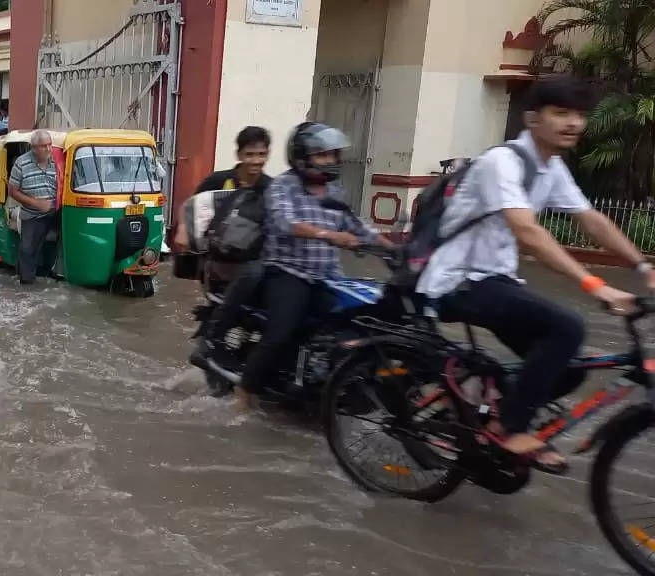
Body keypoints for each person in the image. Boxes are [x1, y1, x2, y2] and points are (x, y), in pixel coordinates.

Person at [417, 76, 650, 473]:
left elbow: (591, 220)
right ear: (532, 119)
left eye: (579, 114)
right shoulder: (501, 163)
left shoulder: (550, 167)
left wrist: (642, 266)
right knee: (567, 328)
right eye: (561, 113)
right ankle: (510, 428)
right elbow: (528, 232)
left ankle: (493, 422)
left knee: (569, 367)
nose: (573, 123)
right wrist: (596, 286)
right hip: (457, 280)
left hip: (495, 279)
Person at [236, 122, 395, 409]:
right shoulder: (283, 186)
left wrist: (394, 250)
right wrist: (330, 235)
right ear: (302, 156)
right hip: (288, 271)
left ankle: (327, 378)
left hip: (329, 276)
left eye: (333, 155)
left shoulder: (334, 190)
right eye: (323, 155)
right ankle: (243, 396)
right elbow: (286, 223)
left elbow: (356, 226)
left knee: (362, 320)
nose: (330, 161)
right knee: (281, 332)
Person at [182, 127, 274, 386]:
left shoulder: (271, 188)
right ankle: (214, 347)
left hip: (255, 266)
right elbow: (191, 207)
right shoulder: (219, 181)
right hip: (219, 268)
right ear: (239, 154)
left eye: (261, 154)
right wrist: (181, 231)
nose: (255, 160)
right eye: (250, 154)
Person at [7, 129, 59, 284]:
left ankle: (54, 275)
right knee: (27, 250)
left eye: (50, 145)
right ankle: (27, 284)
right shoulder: (21, 163)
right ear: (34, 148)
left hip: (57, 211)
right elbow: (13, 191)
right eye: (44, 146)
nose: (49, 149)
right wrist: (36, 203)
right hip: (32, 214)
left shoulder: (58, 160)